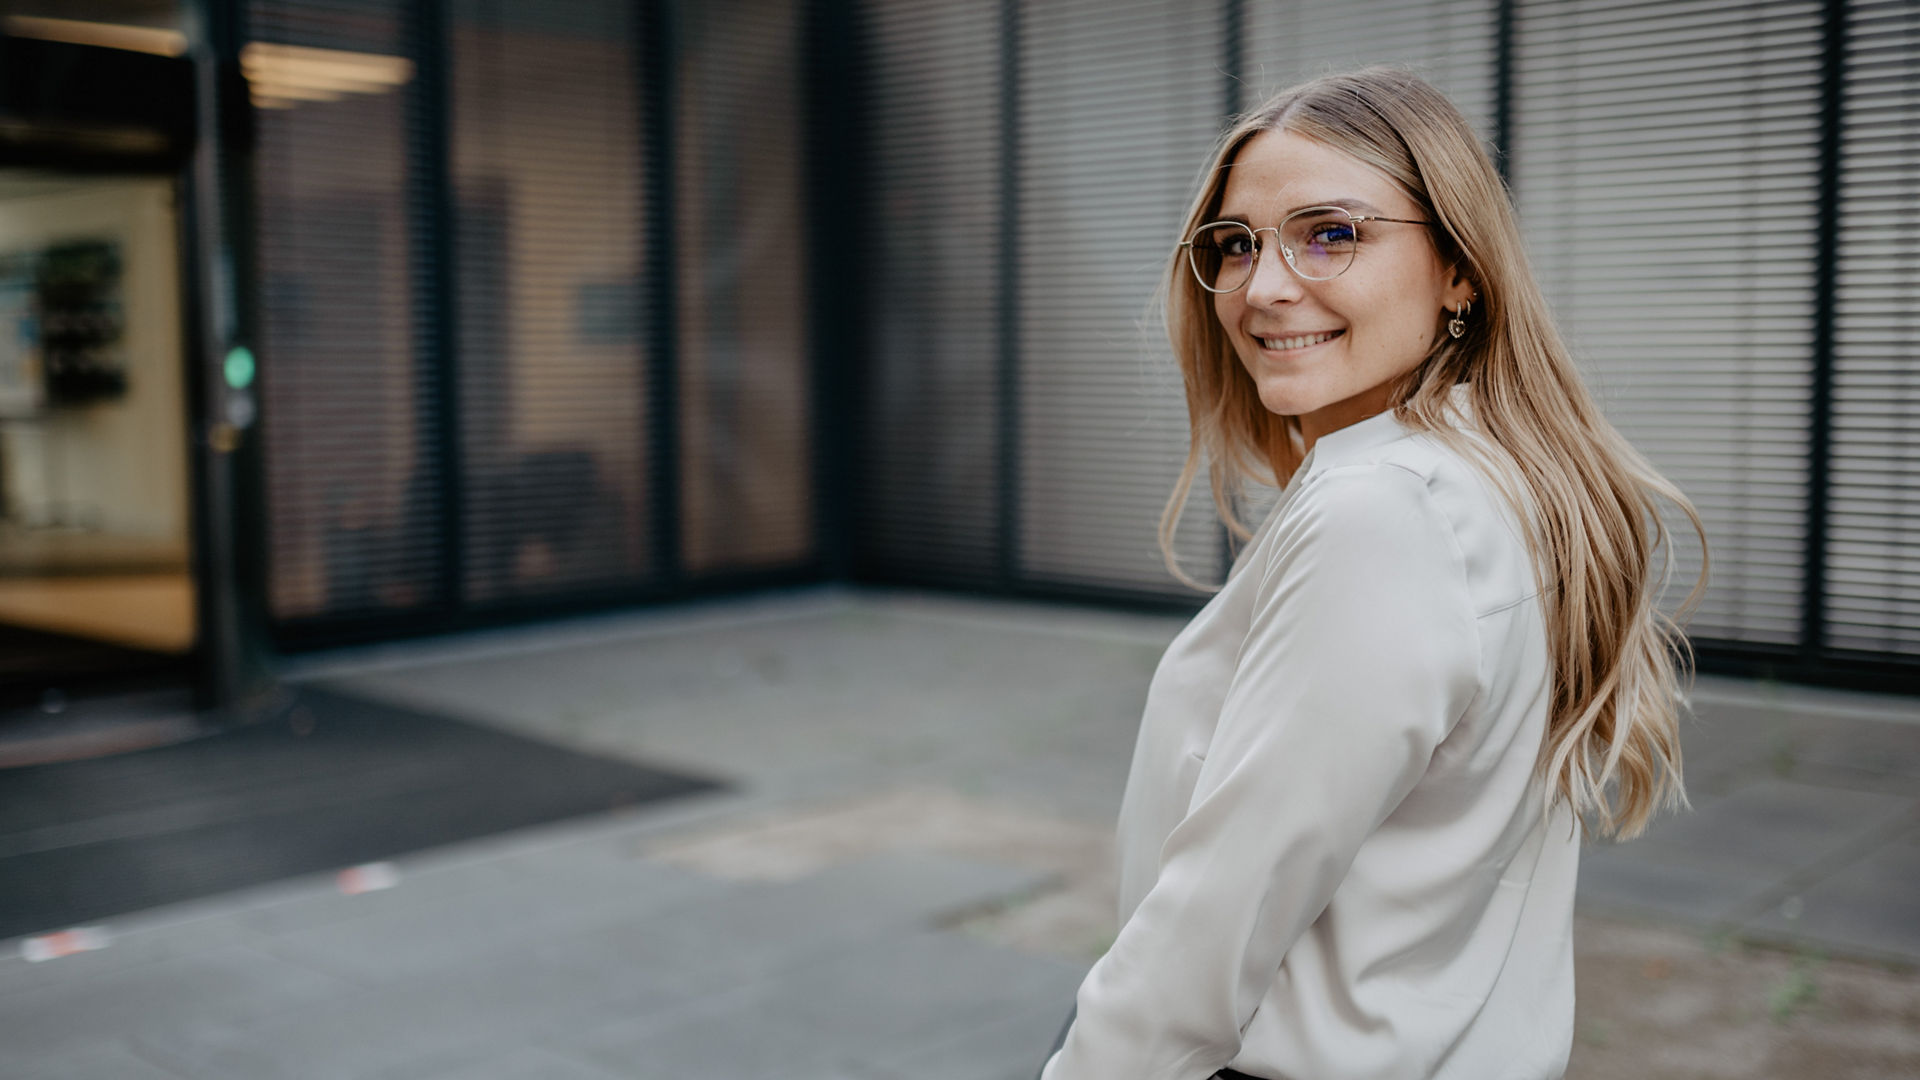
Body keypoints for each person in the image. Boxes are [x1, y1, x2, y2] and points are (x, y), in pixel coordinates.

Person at [1037, 68, 1705, 1080]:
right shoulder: (1498, 479)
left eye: (1330, 233)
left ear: (1460, 269)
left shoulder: (1383, 513)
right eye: (1237, 244)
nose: (1263, 287)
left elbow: (1214, 923)